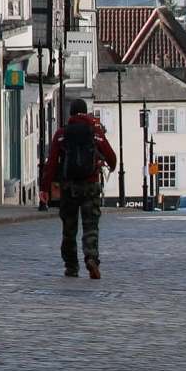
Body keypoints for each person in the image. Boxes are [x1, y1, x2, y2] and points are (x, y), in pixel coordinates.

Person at [43, 96, 118, 279]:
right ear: (86, 112)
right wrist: (109, 166)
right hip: (90, 185)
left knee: (69, 228)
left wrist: (45, 188)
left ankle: (71, 266)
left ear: (70, 113)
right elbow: (111, 157)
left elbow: (51, 163)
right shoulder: (95, 132)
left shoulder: (62, 133)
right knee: (90, 226)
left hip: (69, 187)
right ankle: (91, 258)